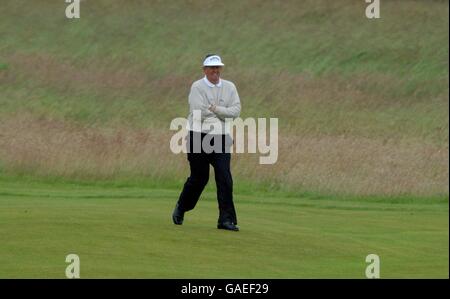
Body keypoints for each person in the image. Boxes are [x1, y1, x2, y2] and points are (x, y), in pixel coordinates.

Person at [172, 54, 241, 231]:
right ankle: (182, 206)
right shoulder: (197, 87)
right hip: (198, 135)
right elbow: (198, 112)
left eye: (218, 67)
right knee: (199, 178)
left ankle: (226, 220)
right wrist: (222, 114)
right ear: (205, 70)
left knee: (224, 177)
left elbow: (236, 111)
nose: (215, 71)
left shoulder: (229, 87)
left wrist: (215, 109)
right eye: (211, 68)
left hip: (221, 137)